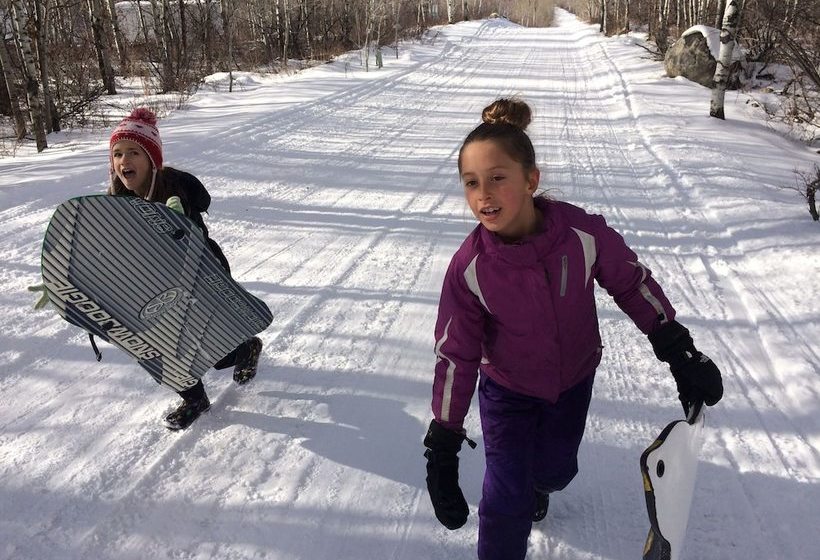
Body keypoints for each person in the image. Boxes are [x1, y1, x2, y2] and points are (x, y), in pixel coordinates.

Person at [422, 98, 723, 560]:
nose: (484, 194)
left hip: (573, 380)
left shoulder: (580, 233)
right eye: (471, 183)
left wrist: (676, 348)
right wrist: (443, 442)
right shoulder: (470, 268)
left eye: (498, 178)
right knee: (506, 497)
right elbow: (455, 354)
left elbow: (631, 283)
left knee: (557, 470)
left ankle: (541, 486)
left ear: (531, 180)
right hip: (507, 392)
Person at [108, 107, 263, 431]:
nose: (124, 161)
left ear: (152, 158)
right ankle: (194, 398)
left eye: (134, 152)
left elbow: (191, 240)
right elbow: (107, 247)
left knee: (215, 352)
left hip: (201, 276)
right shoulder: (115, 202)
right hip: (154, 285)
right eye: (118, 153)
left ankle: (246, 346)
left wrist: (177, 222)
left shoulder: (174, 189)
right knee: (164, 346)